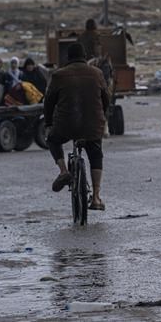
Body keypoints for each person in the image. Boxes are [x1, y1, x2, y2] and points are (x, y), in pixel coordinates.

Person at [43, 43, 109, 211]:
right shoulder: (97, 73)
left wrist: (49, 123)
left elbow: (49, 102)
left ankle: (64, 170)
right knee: (95, 153)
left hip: (66, 124)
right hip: (92, 124)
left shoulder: (58, 75)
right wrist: (103, 117)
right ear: (85, 56)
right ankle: (95, 197)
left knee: (52, 140)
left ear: (68, 57)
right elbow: (106, 99)